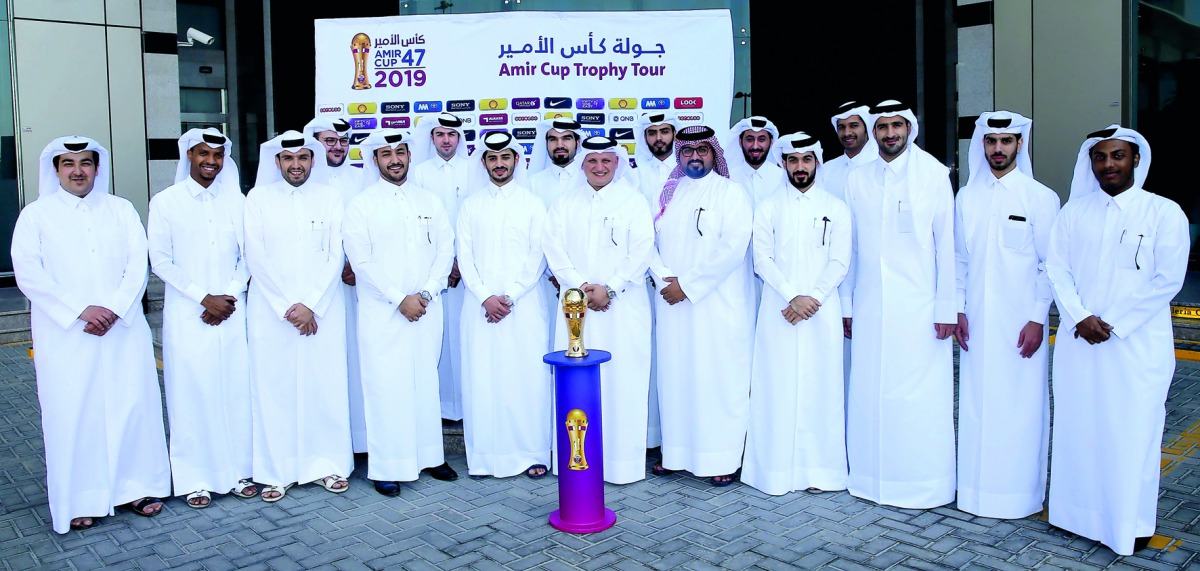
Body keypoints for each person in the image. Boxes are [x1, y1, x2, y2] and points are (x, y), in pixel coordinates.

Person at [12, 136, 170, 531]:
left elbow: (138, 263)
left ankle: (136, 488)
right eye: (69, 164)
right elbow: (29, 273)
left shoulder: (120, 209)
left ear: (98, 169)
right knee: (73, 412)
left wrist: (114, 308)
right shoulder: (35, 215)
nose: (78, 171)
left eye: (86, 163)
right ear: (57, 170)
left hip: (120, 328)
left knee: (130, 404)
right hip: (67, 333)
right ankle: (81, 498)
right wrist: (81, 310)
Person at [1046, 126, 1187, 555]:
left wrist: (1113, 324)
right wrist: (1081, 317)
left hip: (1135, 346)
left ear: (1136, 160)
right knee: (1079, 427)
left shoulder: (1164, 212)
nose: (1108, 164)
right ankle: (1076, 517)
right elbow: (1057, 269)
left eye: (1118, 156)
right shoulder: (1074, 212)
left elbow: (1169, 279)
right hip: (1079, 341)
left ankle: (1130, 522)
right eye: (1100, 157)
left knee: (1132, 433)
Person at [841, 100, 957, 508]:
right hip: (870, 305)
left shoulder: (933, 174)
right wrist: (846, 305)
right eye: (883, 127)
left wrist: (948, 307)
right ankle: (871, 479)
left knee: (919, 398)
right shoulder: (859, 179)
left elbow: (948, 245)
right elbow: (851, 248)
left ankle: (922, 483)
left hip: (920, 308)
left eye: (897, 126)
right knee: (870, 391)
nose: (890, 134)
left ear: (910, 128)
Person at [953, 112, 1059, 519]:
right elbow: (961, 260)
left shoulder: (1040, 197)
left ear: (1019, 145)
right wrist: (958, 307)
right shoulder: (967, 196)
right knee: (978, 403)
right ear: (982, 145)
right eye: (991, 141)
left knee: (1022, 407)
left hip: (1021, 325)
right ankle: (977, 493)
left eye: (1007, 141)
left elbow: (1050, 266)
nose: (998, 149)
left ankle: (1019, 497)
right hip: (976, 323)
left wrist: (1037, 318)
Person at [343, 129, 458, 496]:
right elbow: (362, 261)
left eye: (400, 152)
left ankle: (429, 456)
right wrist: (399, 299)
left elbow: (445, 249)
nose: (394, 159)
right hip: (383, 313)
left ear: (410, 155)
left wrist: (424, 294)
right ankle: (387, 466)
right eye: (386, 153)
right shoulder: (361, 205)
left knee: (424, 383)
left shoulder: (429, 200)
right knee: (386, 386)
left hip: (426, 308)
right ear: (375, 160)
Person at [148, 128, 257, 509]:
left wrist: (228, 294)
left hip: (231, 309)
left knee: (234, 391)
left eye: (217, 155)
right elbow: (160, 260)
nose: (210, 161)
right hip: (188, 312)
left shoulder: (237, 202)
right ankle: (195, 478)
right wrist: (203, 297)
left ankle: (240, 470)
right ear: (188, 156)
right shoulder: (166, 202)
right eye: (202, 153)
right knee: (191, 393)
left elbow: (249, 256)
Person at [244, 131, 352, 501]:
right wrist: (288, 307)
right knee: (274, 389)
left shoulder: (330, 197)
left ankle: (327, 465)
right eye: (288, 159)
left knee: (324, 386)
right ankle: (277, 471)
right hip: (273, 312)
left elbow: (335, 253)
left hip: (321, 310)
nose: (296, 165)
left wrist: (311, 304)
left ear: (312, 160)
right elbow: (255, 256)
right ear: (277, 162)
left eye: (303, 158)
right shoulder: (257, 199)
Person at [742, 132, 851, 496]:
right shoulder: (769, 207)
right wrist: (792, 297)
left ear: (816, 163)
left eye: (806, 160)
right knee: (777, 386)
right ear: (782, 163)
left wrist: (812, 299)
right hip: (779, 310)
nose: (800, 167)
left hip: (821, 310)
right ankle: (774, 471)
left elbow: (840, 260)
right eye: (792, 160)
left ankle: (821, 472)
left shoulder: (836, 207)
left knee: (823, 389)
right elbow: (762, 259)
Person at [543, 136, 654, 484]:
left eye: (607, 161)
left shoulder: (634, 202)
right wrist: (581, 289)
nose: (600, 167)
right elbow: (554, 248)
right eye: (592, 161)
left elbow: (642, 249)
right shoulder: (563, 203)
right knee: (578, 383)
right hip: (576, 311)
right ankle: (577, 462)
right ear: (582, 165)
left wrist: (610, 288)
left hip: (623, 310)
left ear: (617, 163)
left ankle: (622, 467)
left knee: (624, 383)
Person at [648, 125, 753, 486]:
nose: (695, 156)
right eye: (688, 151)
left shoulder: (731, 193)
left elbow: (732, 249)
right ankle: (677, 454)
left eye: (703, 151)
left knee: (717, 378)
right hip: (672, 304)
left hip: (716, 306)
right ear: (680, 156)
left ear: (714, 155)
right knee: (677, 377)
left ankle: (721, 457)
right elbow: (648, 240)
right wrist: (665, 279)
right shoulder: (668, 193)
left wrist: (688, 286)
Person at [456, 131, 552, 479]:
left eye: (505, 158)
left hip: (522, 307)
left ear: (516, 161)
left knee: (526, 379)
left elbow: (537, 256)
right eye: (492, 158)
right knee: (482, 378)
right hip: (479, 308)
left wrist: (508, 296)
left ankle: (531, 455)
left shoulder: (532, 204)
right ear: (484, 163)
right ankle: (484, 458)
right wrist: (486, 296)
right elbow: (464, 257)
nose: (499, 164)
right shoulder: (470, 205)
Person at [305, 117, 367, 454]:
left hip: (360, 285)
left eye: (343, 141)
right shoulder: (304, 183)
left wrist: (357, 267)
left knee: (358, 362)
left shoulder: (361, 178)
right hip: (320, 290)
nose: (338, 147)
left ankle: (360, 440)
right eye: (330, 141)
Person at [410, 112, 472, 424]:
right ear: (432, 138)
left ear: (459, 138)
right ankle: (443, 407)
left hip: (469, 271)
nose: (446, 140)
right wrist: (444, 266)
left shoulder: (474, 169)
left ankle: (467, 404)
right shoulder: (419, 172)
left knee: (464, 340)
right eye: (440, 135)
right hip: (434, 272)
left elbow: (475, 220)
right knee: (438, 341)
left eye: (451, 134)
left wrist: (461, 263)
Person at [633, 111, 678, 453]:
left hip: (679, 288)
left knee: (675, 359)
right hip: (644, 283)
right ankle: (648, 436)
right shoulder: (633, 177)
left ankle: (672, 437)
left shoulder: (689, 173)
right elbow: (639, 234)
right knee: (644, 357)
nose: (659, 138)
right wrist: (658, 274)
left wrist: (671, 279)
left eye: (665, 131)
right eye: (653, 133)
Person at [528, 118, 586, 350]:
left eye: (566, 138)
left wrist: (571, 276)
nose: (559, 144)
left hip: (584, 279)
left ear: (577, 142)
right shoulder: (533, 182)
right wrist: (552, 271)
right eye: (553, 139)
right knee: (547, 343)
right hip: (542, 278)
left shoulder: (591, 176)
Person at [822, 101, 878, 202]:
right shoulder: (827, 170)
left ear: (867, 128)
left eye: (854, 125)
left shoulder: (881, 164)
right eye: (841, 127)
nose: (847, 133)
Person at [724, 116, 784, 207]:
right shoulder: (728, 179)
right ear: (740, 142)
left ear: (771, 142)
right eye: (750, 139)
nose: (755, 146)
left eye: (762, 139)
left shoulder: (782, 178)